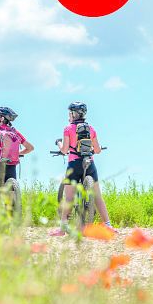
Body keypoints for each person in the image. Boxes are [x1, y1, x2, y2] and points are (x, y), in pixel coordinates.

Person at [51, 101, 114, 236]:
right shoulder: (91, 129)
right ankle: (108, 225)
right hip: (90, 164)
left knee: (68, 199)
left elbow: (64, 150)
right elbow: (97, 150)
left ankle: (62, 229)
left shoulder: (68, 129)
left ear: (73, 114)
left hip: (74, 164)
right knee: (97, 196)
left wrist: (59, 143)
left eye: (70, 113)